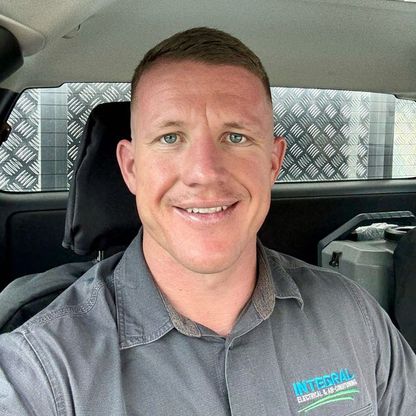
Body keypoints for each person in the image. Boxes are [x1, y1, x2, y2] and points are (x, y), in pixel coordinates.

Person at [0, 27, 415, 416]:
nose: (204, 172)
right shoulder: (42, 373)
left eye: (236, 137)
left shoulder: (354, 318)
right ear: (131, 168)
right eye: (170, 138)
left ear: (272, 163)